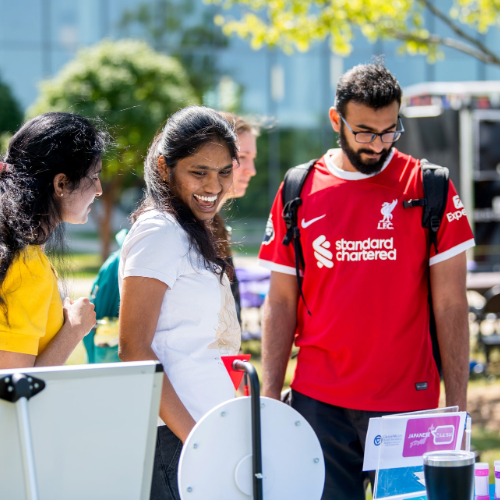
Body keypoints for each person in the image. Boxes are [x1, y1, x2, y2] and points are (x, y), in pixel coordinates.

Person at [258, 63, 473, 499]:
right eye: (364, 132)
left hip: (408, 405)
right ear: (336, 120)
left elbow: (451, 304)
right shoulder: (298, 189)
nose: (378, 145)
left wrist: (458, 408)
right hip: (320, 403)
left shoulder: (431, 186)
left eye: (389, 131)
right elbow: (280, 301)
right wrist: (268, 395)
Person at [118, 106, 242, 500]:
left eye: (225, 171)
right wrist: (196, 440)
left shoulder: (188, 230)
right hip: (176, 440)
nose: (214, 185)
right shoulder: (159, 231)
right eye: (199, 171)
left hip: (204, 431)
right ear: (163, 167)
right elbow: (133, 349)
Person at [0, 112, 106, 370]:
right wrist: (74, 329)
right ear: (61, 184)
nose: (100, 189)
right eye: (94, 177)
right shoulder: (26, 267)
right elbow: (13, 386)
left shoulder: (23, 254)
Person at [213, 112, 259, 321]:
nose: (252, 170)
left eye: (252, 159)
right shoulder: (181, 229)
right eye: (242, 157)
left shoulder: (214, 227)